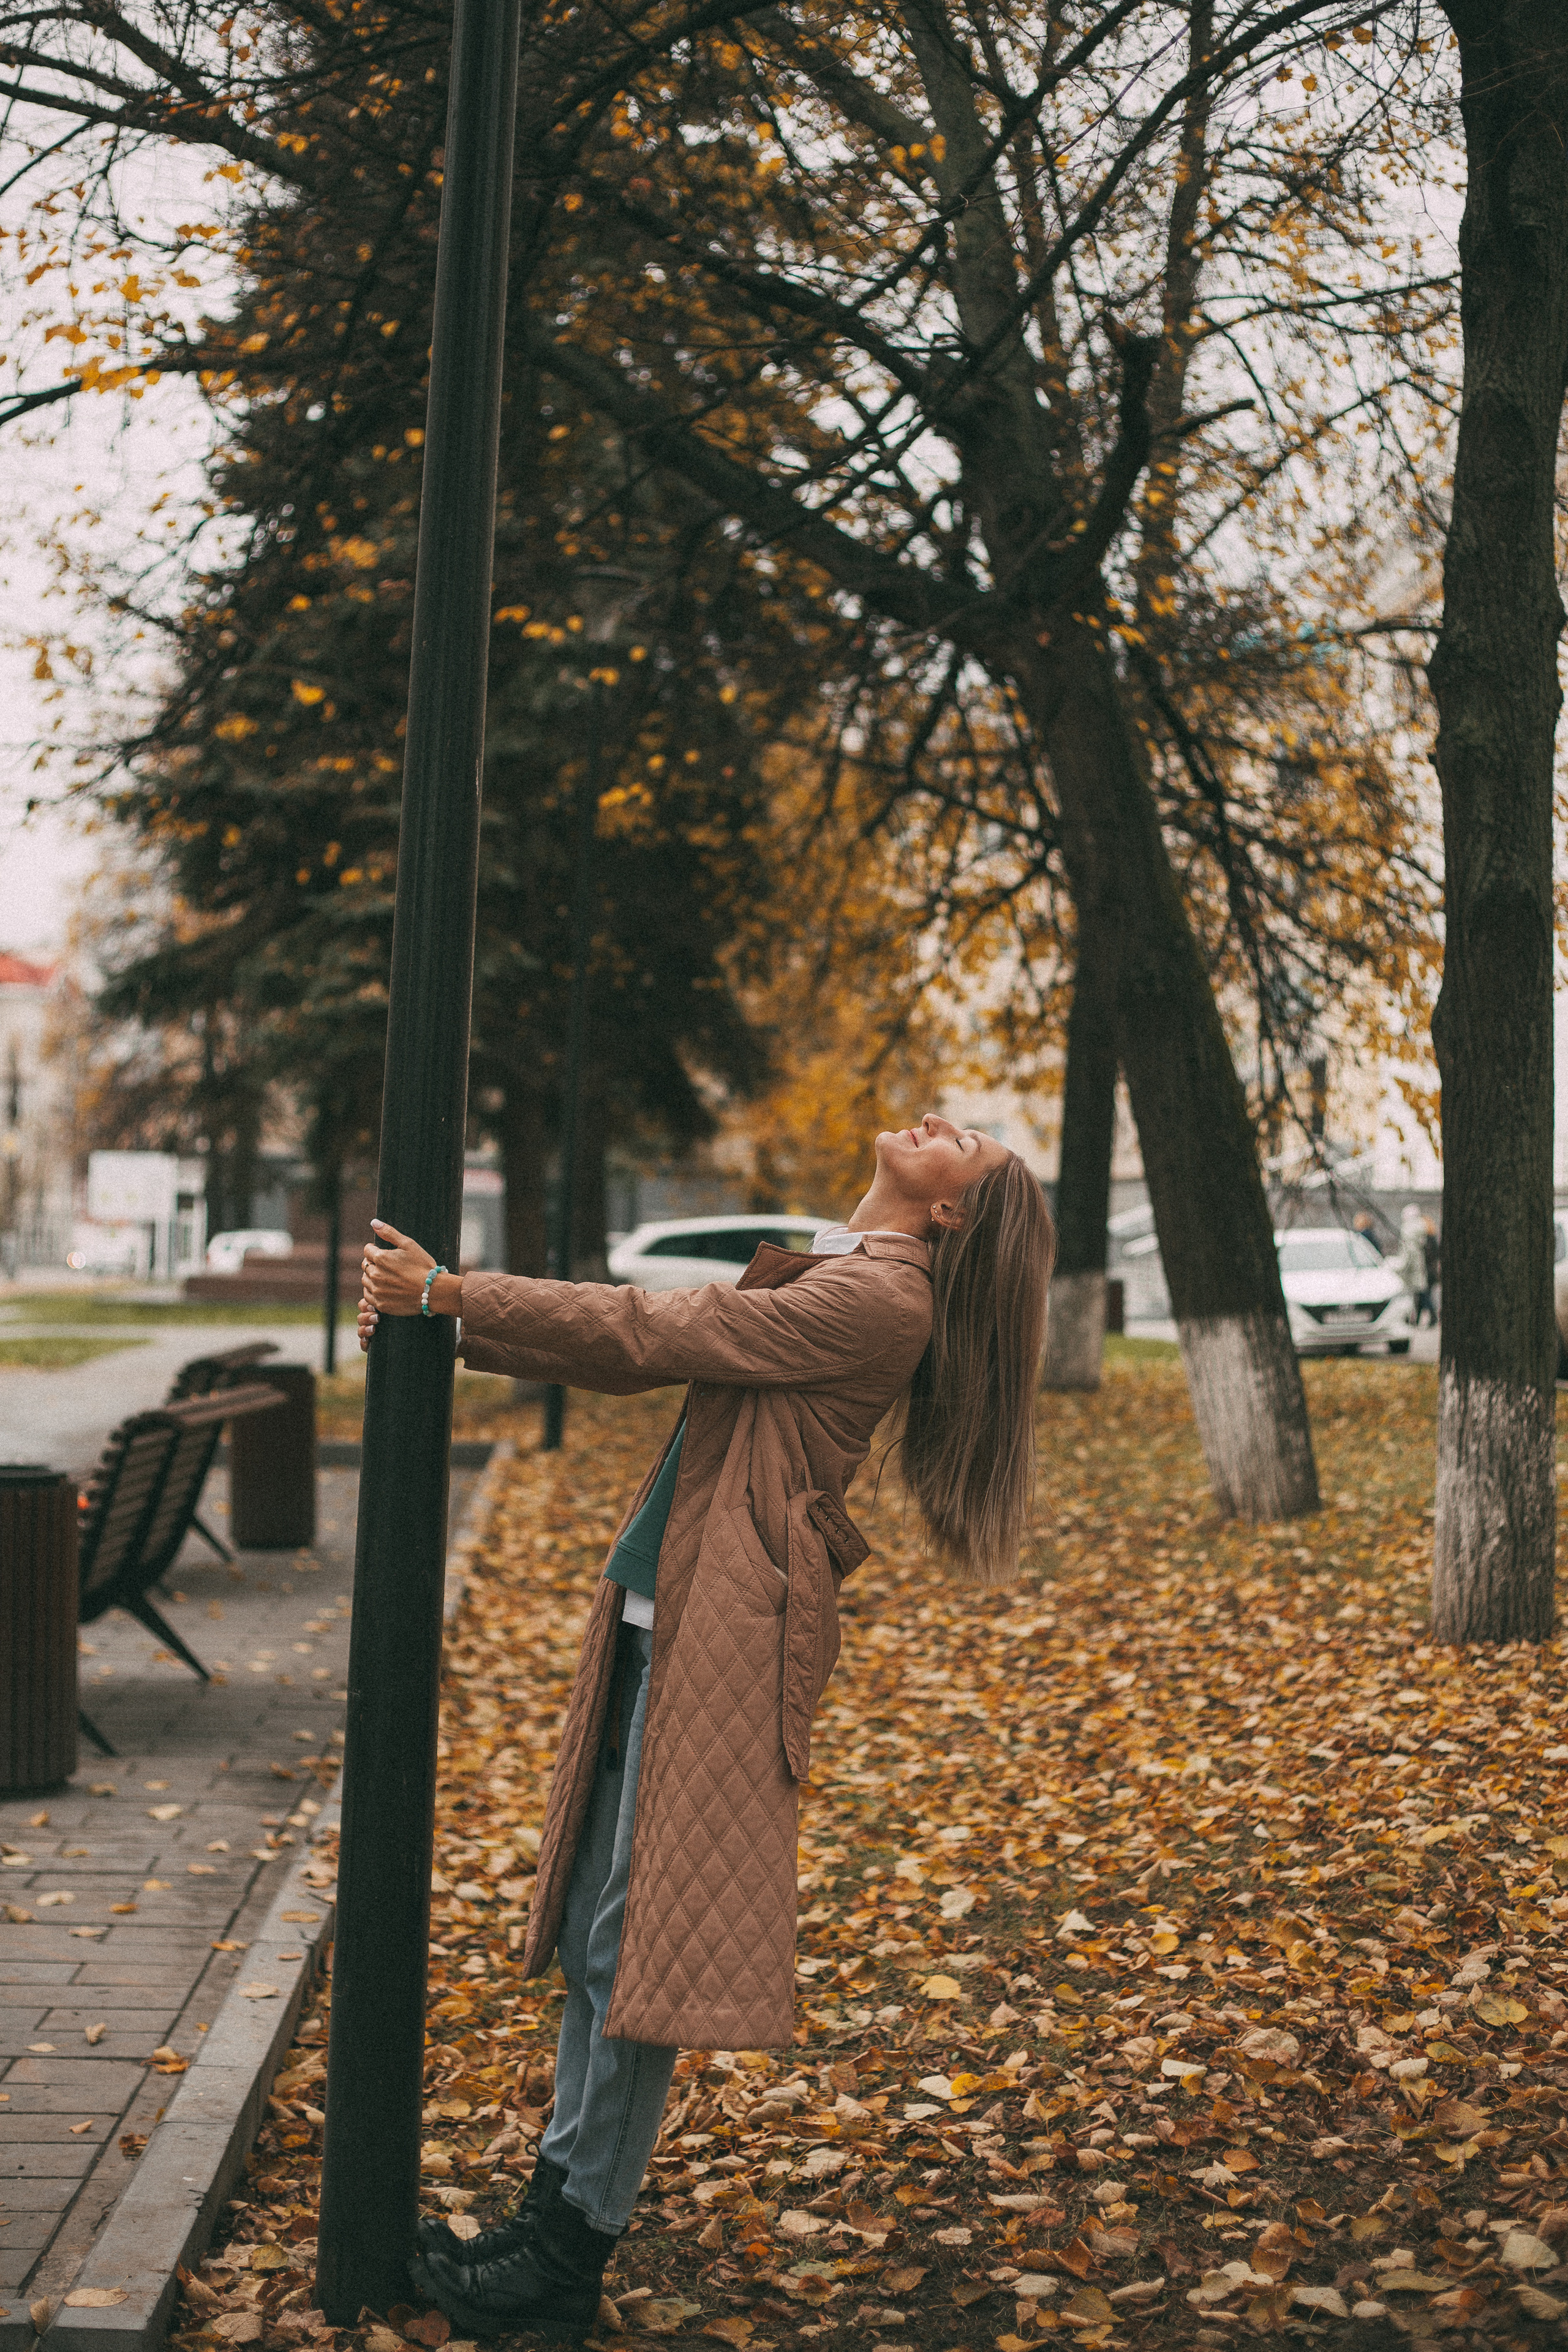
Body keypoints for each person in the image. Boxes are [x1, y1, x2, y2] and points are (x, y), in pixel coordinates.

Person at [356, 1115, 1055, 2342]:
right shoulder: (851, 1266)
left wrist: (450, 1296)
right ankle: (548, 2210)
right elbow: (669, 1344)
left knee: (634, 1949)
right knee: (594, 1932)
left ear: (947, 1214)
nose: (948, 1121)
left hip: (727, 1631)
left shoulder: (886, 1301)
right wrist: (448, 1316)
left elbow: (656, 1330)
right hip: (665, 1607)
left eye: (972, 1146)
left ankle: (568, 2258)